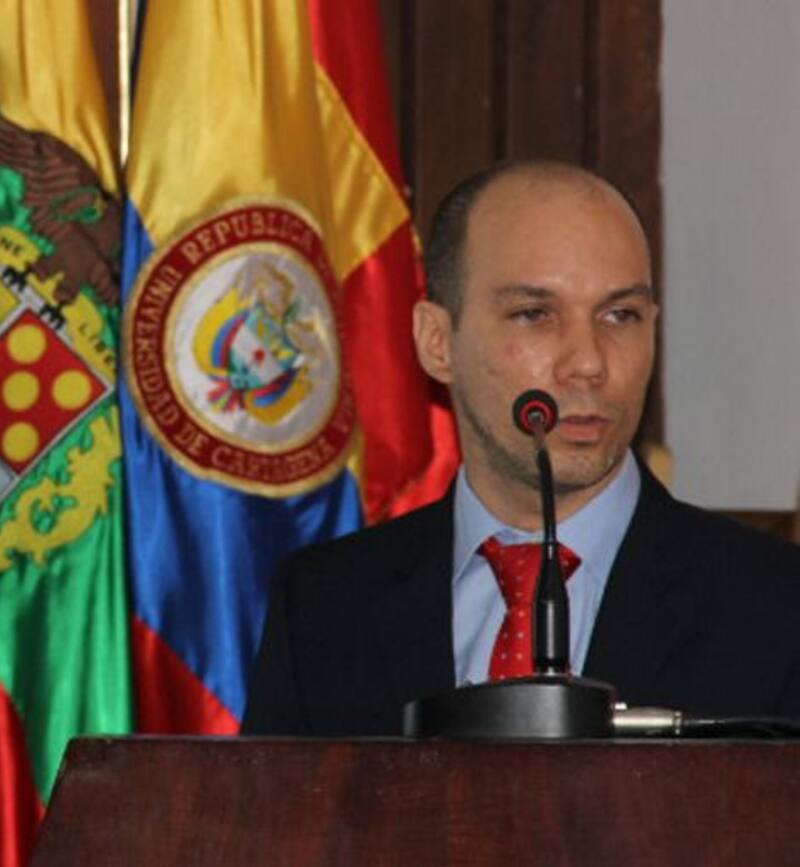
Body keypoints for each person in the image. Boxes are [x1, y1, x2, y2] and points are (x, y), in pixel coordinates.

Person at [241, 160, 800, 735]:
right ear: (437, 342)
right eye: (535, 315)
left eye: (620, 315)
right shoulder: (322, 607)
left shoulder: (776, 610)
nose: (589, 363)